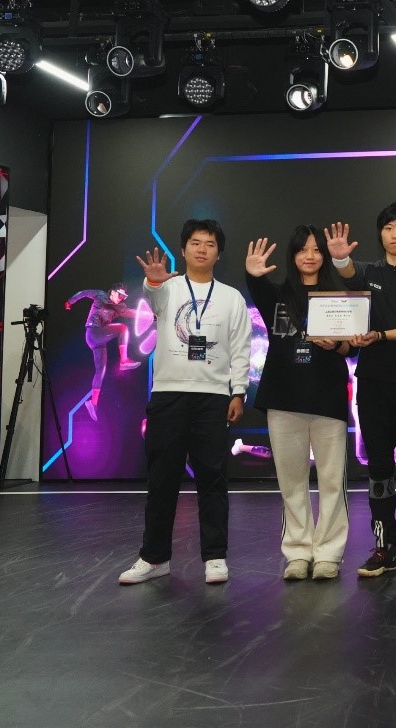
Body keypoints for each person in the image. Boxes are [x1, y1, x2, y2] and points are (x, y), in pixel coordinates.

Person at [117, 219, 251, 585]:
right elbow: (153, 299)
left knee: (213, 479)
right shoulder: (168, 287)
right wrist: (154, 282)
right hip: (169, 395)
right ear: (183, 249)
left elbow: (240, 347)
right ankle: (154, 558)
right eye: (195, 242)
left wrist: (238, 391)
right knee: (162, 479)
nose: (202, 249)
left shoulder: (231, 298)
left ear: (219, 253)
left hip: (213, 397)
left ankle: (215, 557)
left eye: (210, 243)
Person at [325, 202, 396, 579]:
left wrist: (381, 335)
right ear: (380, 233)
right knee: (378, 469)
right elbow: (347, 273)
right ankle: (383, 548)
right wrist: (340, 258)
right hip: (372, 384)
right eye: (389, 227)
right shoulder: (368, 272)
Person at [244, 226, 354, 582]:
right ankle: (297, 552)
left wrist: (336, 345)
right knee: (291, 481)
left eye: (316, 249)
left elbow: (351, 347)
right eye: (302, 249)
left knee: (332, 480)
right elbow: (256, 283)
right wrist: (252, 273)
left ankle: (328, 553)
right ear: (292, 255)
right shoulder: (277, 294)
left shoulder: (339, 296)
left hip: (327, 396)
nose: (310, 256)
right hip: (283, 397)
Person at [65, 282, 141, 420]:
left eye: (123, 297)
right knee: (122, 328)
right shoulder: (100, 295)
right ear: (113, 292)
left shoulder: (118, 307)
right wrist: (70, 301)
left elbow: (131, 312)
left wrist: (149, 315)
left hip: (100, 339)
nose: (121, 299)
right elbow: (84, 293)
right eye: (120, 295)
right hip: (93, 332)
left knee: (101, 370)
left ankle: (93, 403)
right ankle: (124, 361)